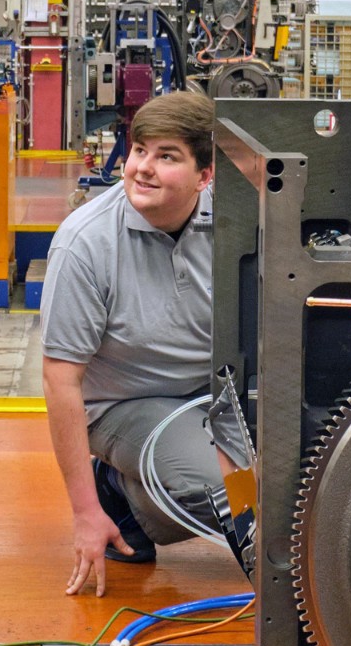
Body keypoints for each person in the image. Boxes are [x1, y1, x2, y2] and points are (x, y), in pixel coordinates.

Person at [42, 91, 245, 597]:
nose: (143, 169)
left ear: (206, 174)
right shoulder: (86, 244)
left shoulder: (238, 222)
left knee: (304, 472)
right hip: (125, 404)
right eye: (139, 150)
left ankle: (146, 491)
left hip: (216, 390)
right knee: (227, 494)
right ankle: (118, 497)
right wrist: (85, 513)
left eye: (167, 156)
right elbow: (60, 380)